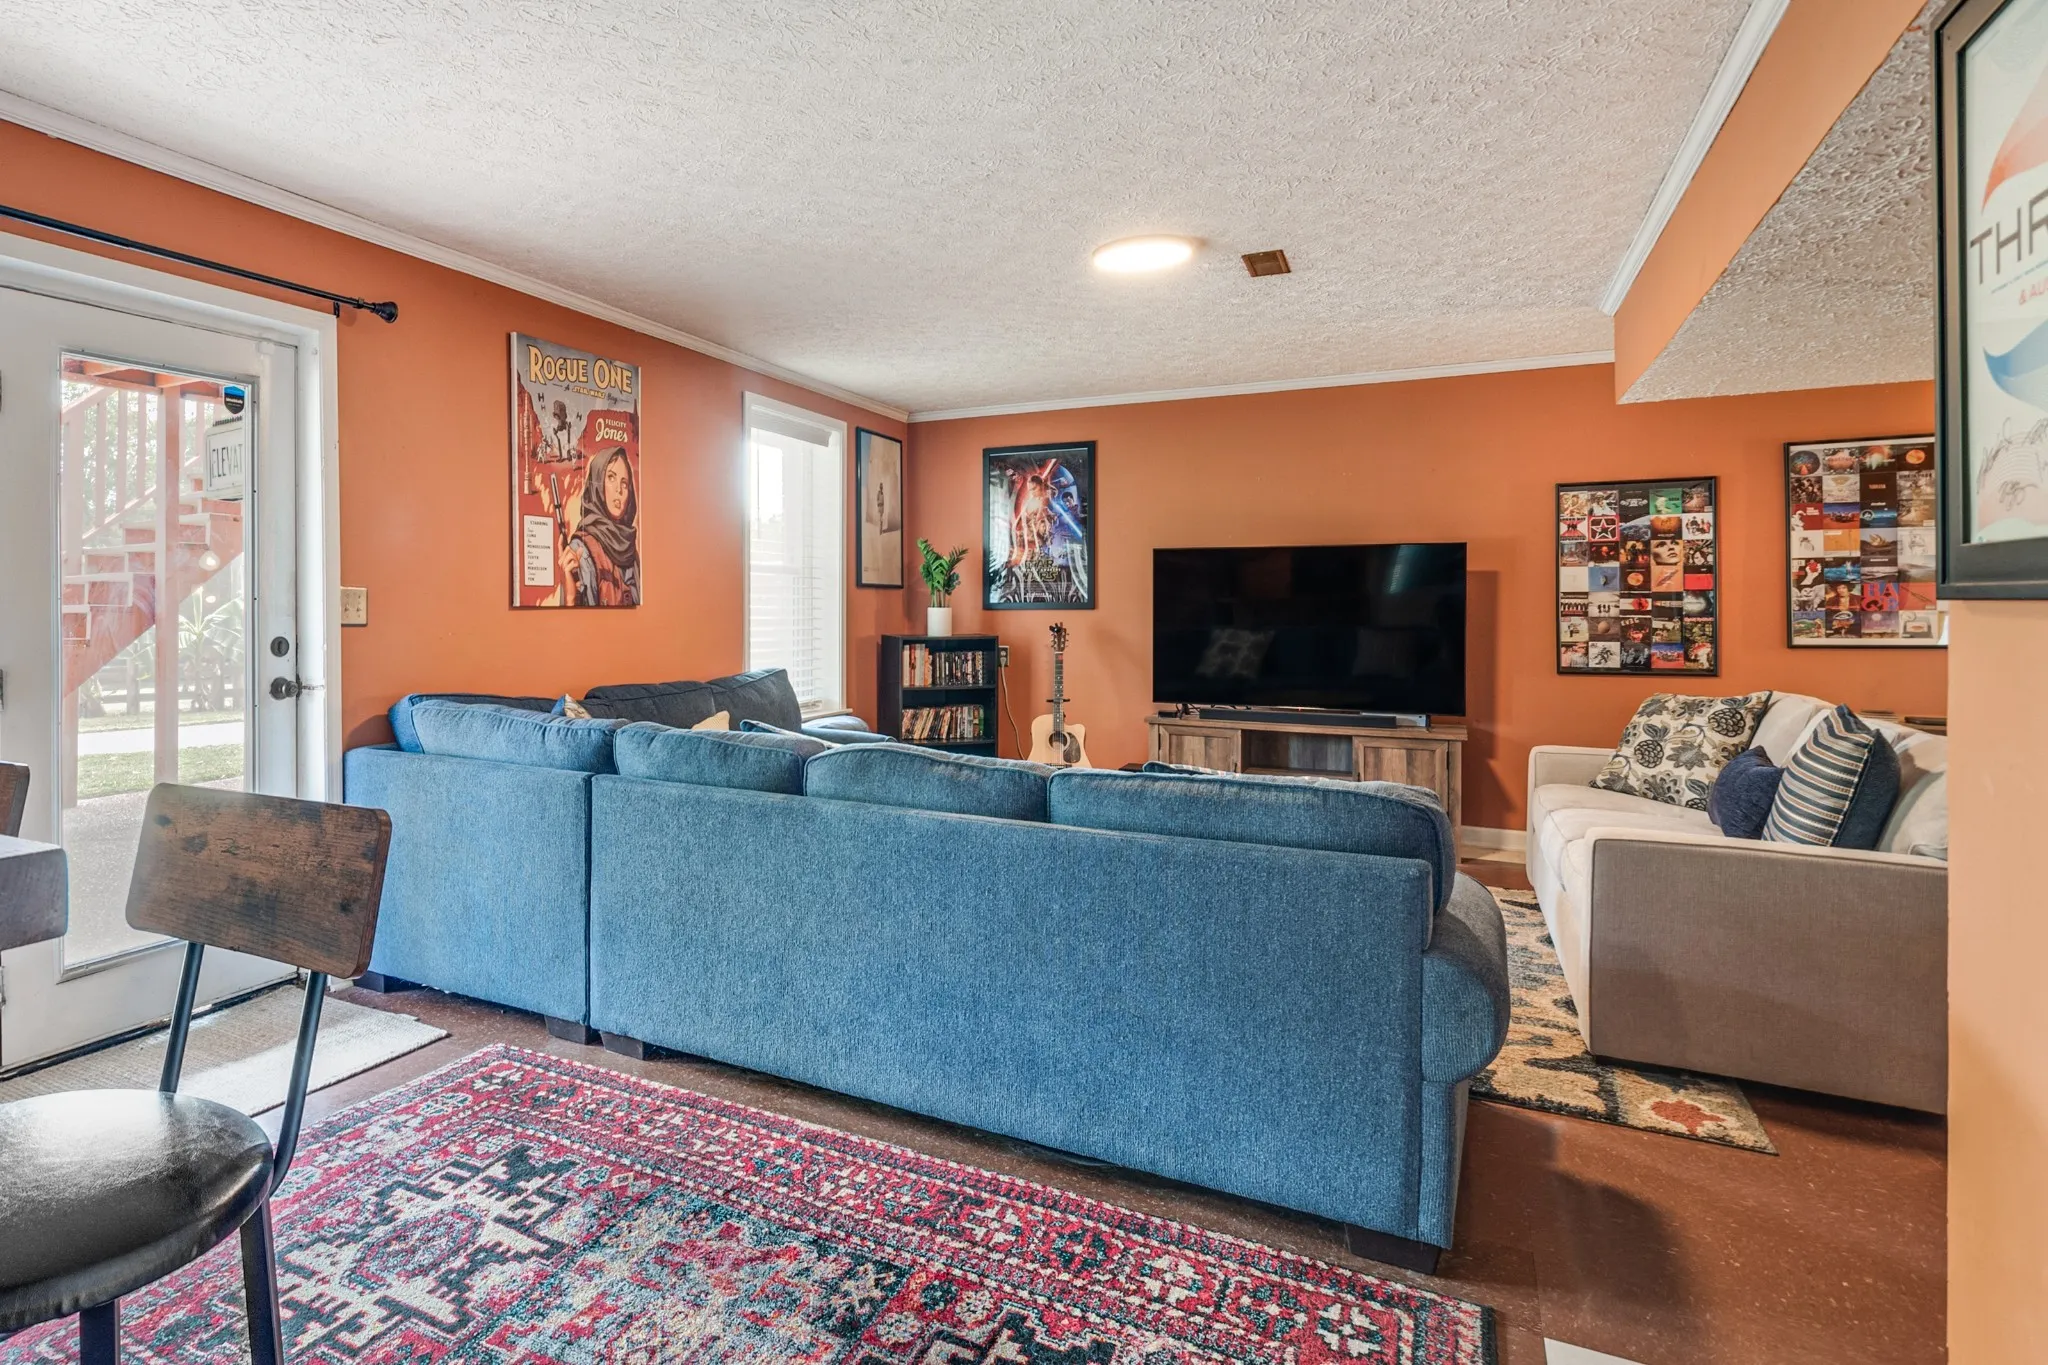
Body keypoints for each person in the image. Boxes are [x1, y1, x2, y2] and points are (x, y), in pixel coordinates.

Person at [558, 446, 639, 606]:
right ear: (597, 483)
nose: (619, 490)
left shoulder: (628, 547)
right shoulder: (582, 549)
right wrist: (571, 599)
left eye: (624, 483)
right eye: (611, 477)